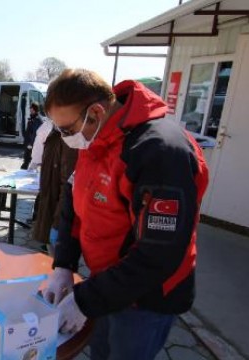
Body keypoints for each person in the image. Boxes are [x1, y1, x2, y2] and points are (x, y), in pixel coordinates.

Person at [42, 69, 209, 360]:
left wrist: (86, 300)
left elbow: (158, 255)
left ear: (95, 112)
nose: (65, 138)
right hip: (107, 285)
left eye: (66, 130)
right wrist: (64, 265)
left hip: (146, 299)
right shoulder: (95, 137)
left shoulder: (159, 153)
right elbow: (75, 198)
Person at [30, 122, 77, 255]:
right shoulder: (54, 132)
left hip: (59, 219)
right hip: (50, 212)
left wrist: (57, 223)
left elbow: (67, 186)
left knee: (57, 263)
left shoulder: (70, 139)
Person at [21, 102, 45, 170]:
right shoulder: (33, 118)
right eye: (30, 110)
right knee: (28, 161)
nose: (31, 111)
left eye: (32, 110)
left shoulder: (37, 120)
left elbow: (35, 133)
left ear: (35, 110)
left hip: (32, 144)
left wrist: (31, 144)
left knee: (30, 162)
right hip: (30, 143)